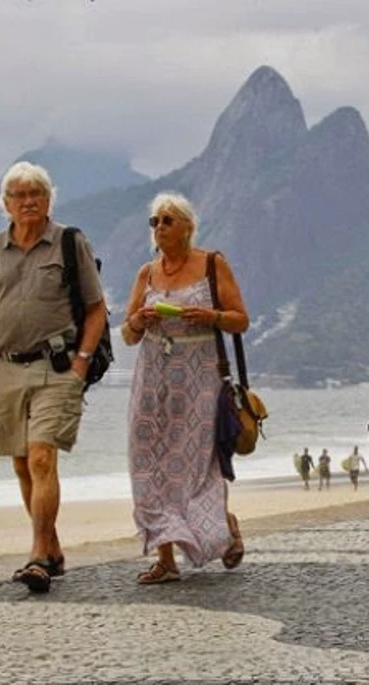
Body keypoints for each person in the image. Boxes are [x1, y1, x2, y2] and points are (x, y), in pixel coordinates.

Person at [0, 161, 108, 594]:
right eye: (19, 194)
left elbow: (96, 309)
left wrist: (81, 362)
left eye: (36, 193)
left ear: (49, 199)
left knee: (40, 457)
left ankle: (37, 555)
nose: (28, 201)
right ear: (6, 204)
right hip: (4, 367)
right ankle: (52, 546)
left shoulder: (69, 244)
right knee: (21, 464)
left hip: (57, 367)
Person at [121, 191, 250, 584]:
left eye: (167, 220)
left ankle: (222, 528)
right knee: (146, 461)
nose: (159, 227)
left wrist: (210, 315)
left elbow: (240, 320)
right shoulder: (146, 273)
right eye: (155, 221)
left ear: (187, 227)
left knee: (194, 463)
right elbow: (127, 334)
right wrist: (141, 321)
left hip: (198, 377)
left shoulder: (212, 264)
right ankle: (165, 559)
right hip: (152, 376)